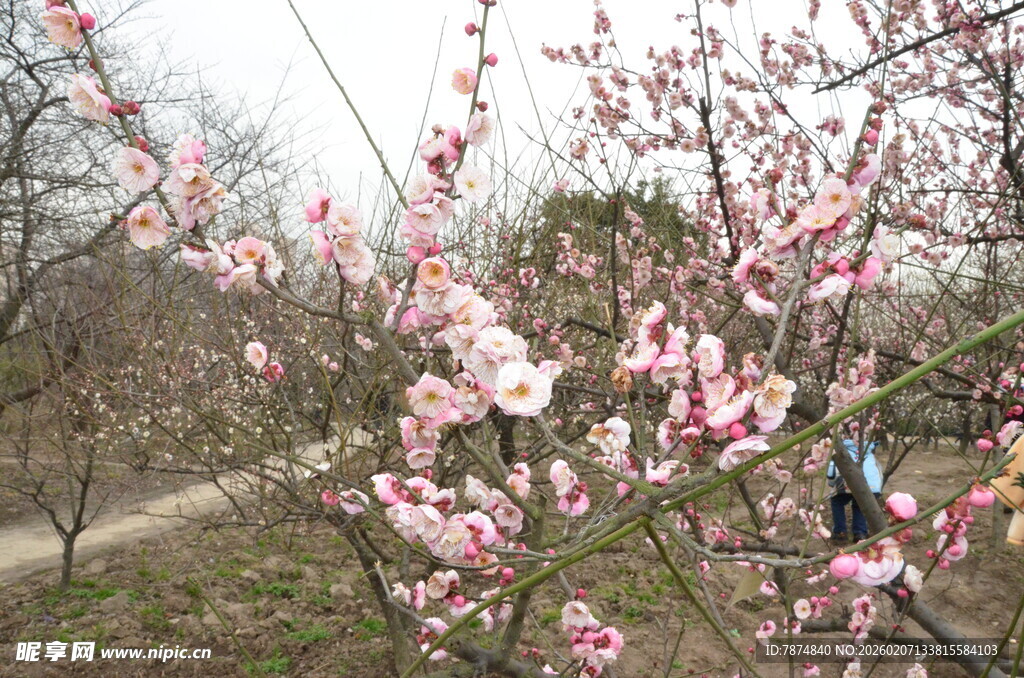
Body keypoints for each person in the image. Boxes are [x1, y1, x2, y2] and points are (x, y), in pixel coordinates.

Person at [826, 437, 882, 542]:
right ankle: (860, 533)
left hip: (847, 483)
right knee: (859, 505)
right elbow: (878, 473)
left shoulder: (840, 452)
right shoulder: (869, 452)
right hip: (867, 486)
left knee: (837, 501)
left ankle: (840, 532)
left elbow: (831, 473)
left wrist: (832, 484)